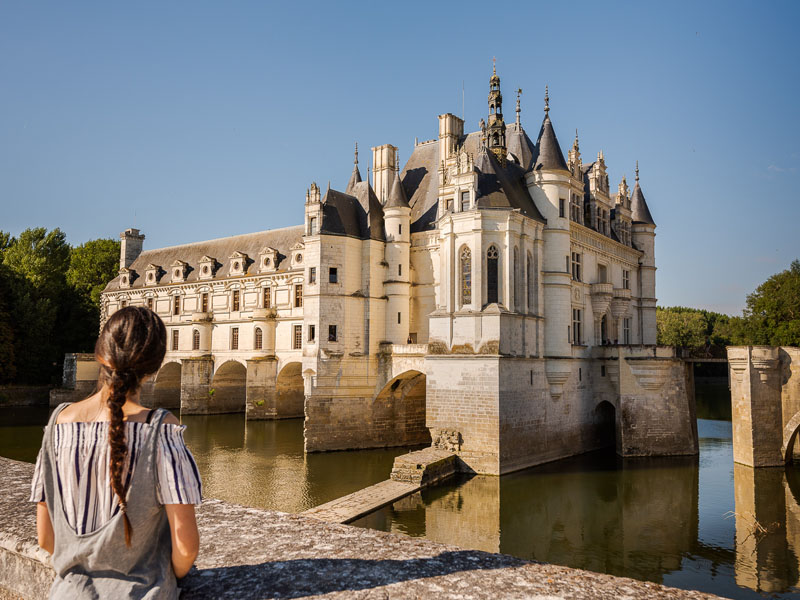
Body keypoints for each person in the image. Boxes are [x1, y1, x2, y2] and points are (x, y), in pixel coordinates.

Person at [30, 306, 202, 599]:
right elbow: (186, 549)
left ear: (100, 354)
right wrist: (161, 572)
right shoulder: (160, 430)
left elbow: (46, 539)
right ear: (154, 367)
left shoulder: (58, 423)